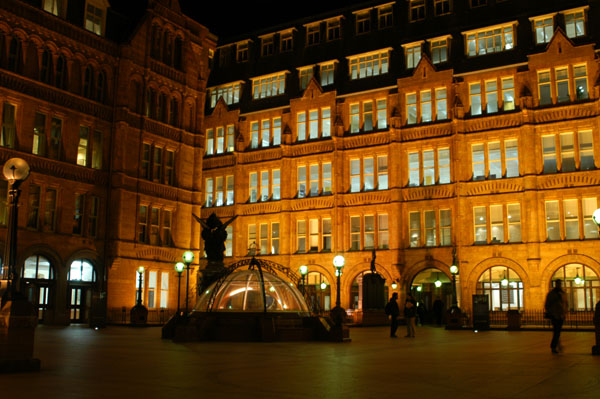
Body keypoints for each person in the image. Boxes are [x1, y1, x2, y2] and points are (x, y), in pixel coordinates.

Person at [544, 279, 568, 354]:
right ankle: (554, 346)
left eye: (560, 283)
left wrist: (564, 313)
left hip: (561, 315)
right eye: (558, 283)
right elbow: (547, 305)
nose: (559, 284)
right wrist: (552, 312)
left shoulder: (563, 293)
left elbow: (566, 304)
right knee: (557, 331)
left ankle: (557, 345)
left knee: (557, 331)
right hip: (555, 315)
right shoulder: (552, 294)